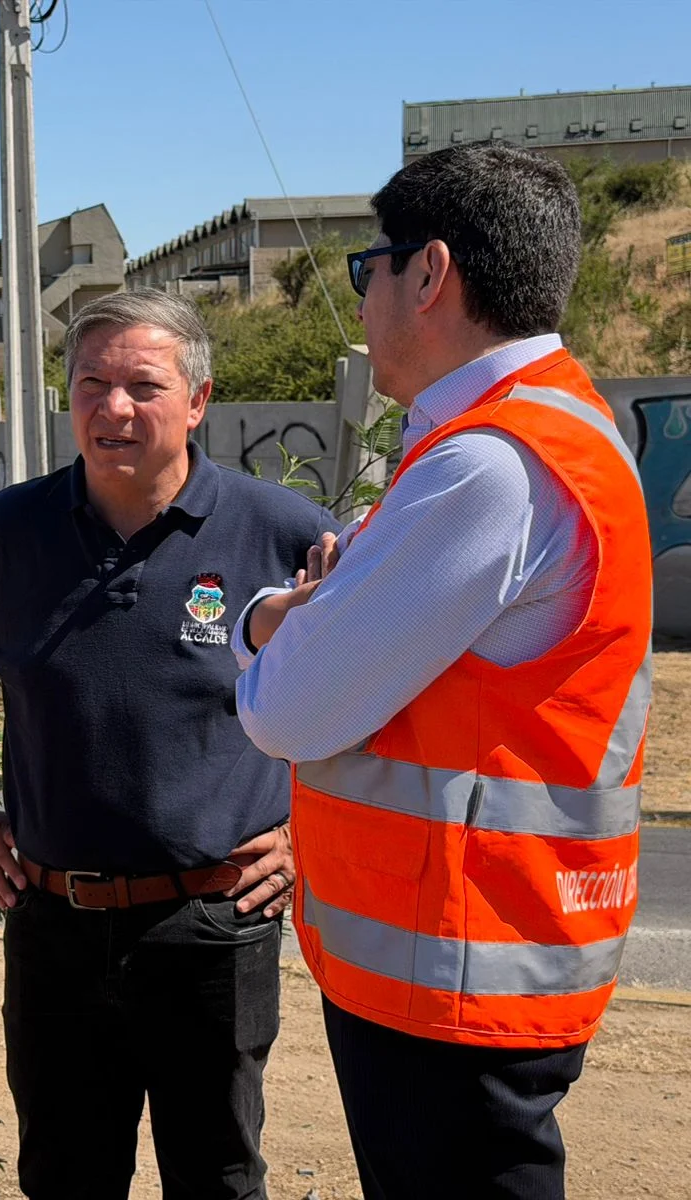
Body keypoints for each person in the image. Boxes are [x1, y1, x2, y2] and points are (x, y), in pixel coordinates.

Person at [234, 142, 653, 1200]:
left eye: (364, 267)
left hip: (454, 976)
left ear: (428, 275)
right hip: (472, 960)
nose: (363, 293)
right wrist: (314, 614)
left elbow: (284, 709)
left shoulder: (486, 465)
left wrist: (271, 618)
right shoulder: (549, 431)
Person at [0, 290, 339, 1199]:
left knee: (217, 1178)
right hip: (55, 923)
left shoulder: (284, 534)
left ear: (199, 399)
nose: (115, 408)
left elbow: (364, 704)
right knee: (64, 1178)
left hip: (216, 928)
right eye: (92, 384)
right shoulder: (9, 532)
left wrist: (312, 835)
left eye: (144, 384)